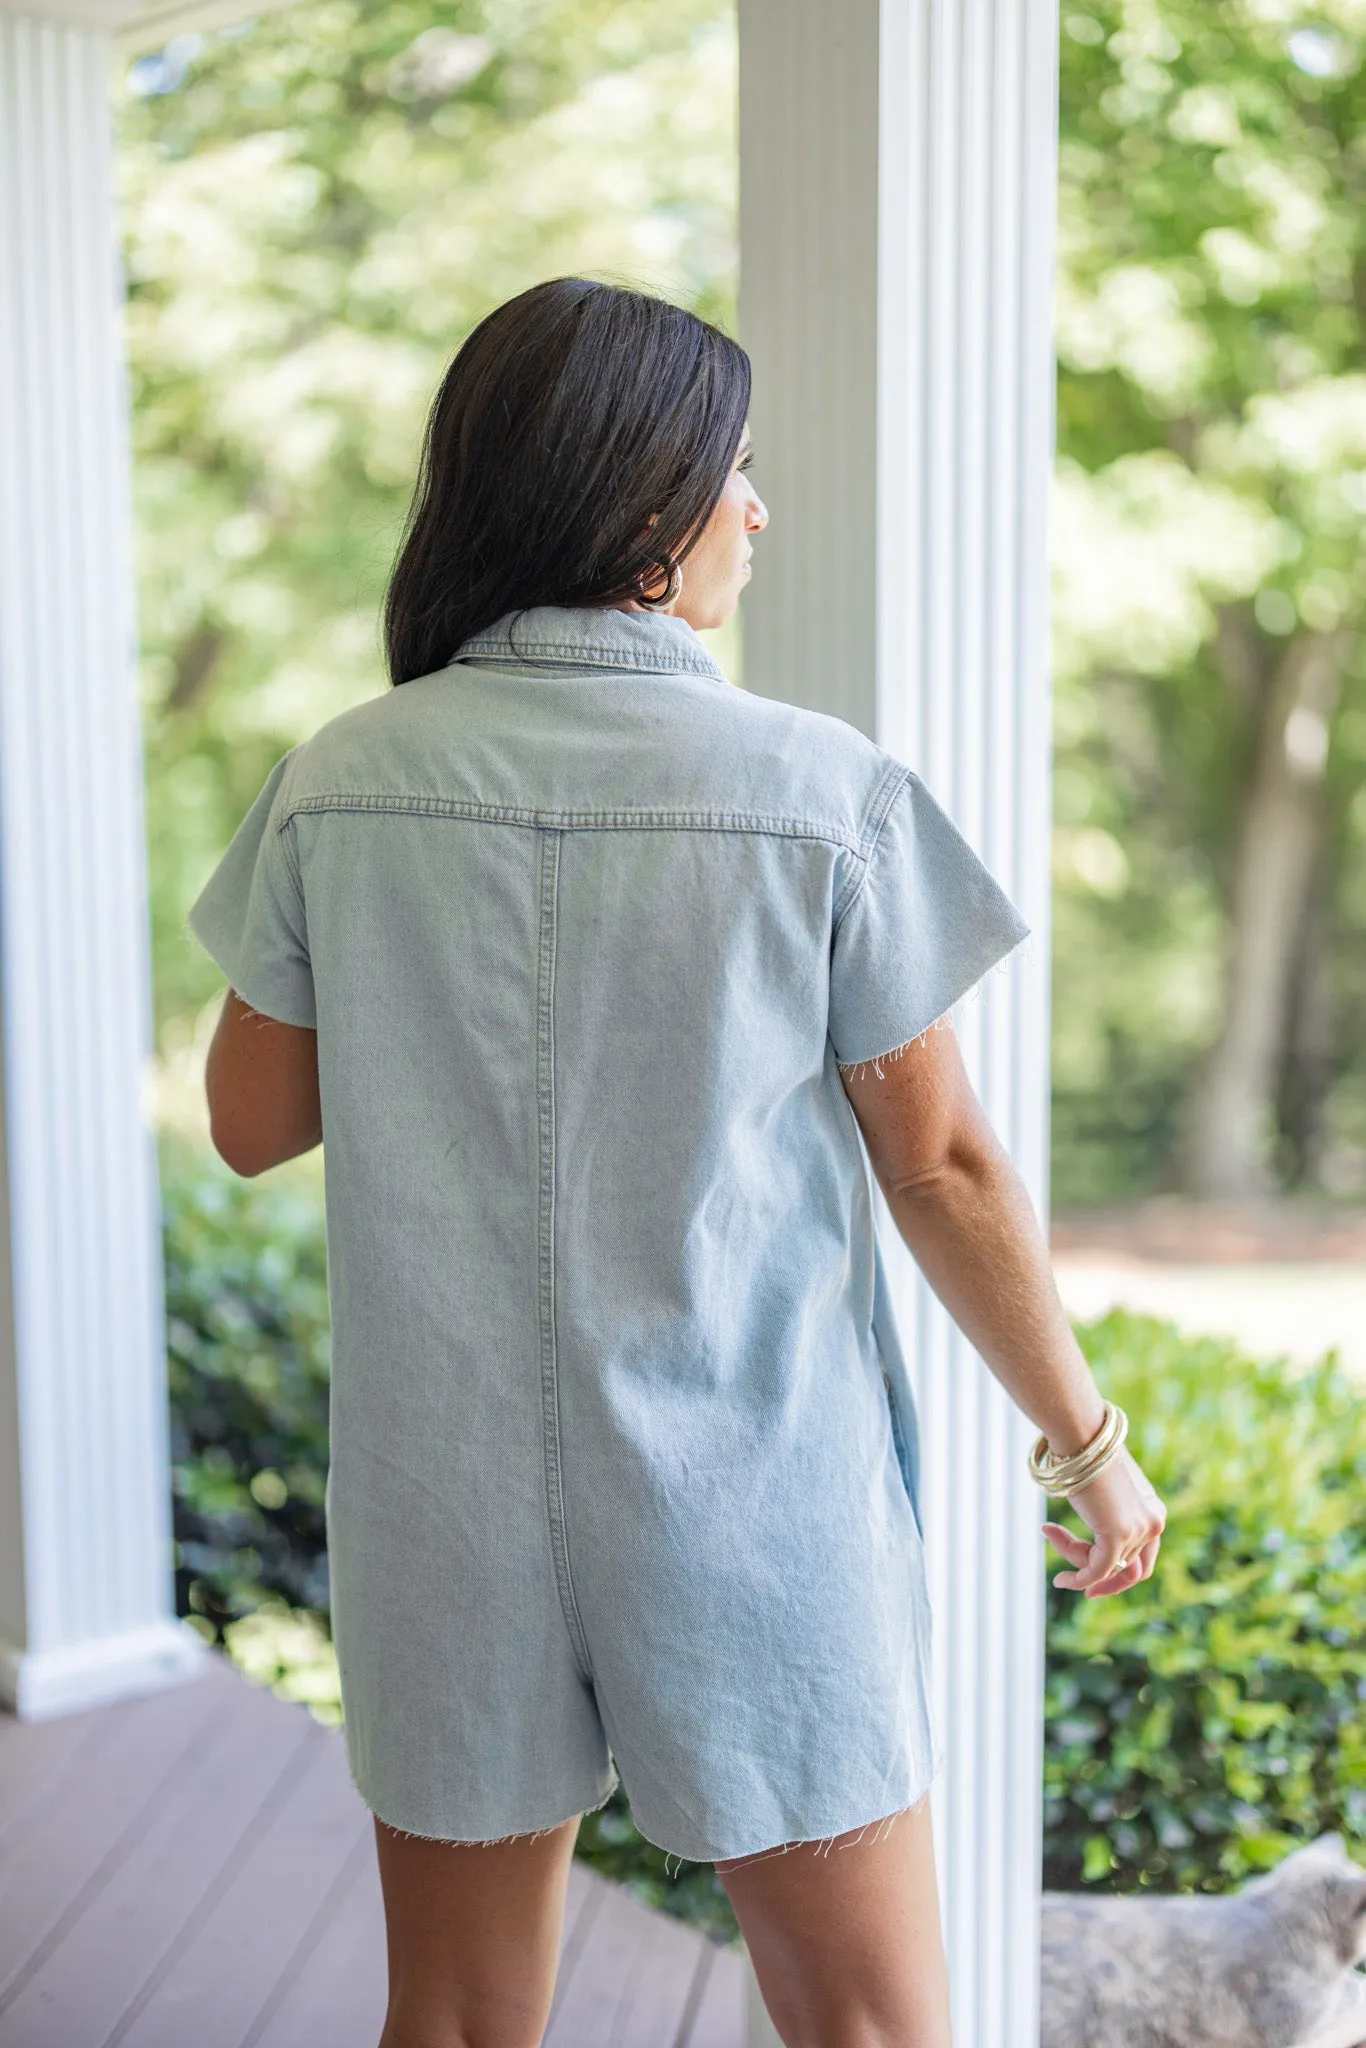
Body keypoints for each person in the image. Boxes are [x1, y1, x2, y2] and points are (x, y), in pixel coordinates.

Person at [189, 277, 1166, 2048]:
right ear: (643, 511)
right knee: (868, 2025)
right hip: (757, 1505)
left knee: (464, 2021)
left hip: (446, 1510)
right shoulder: (816, 795)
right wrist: (1083, 1443)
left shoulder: (340, 782)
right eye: (736, 470)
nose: (758, 508)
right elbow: (936, 1162)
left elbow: (251, 1123)